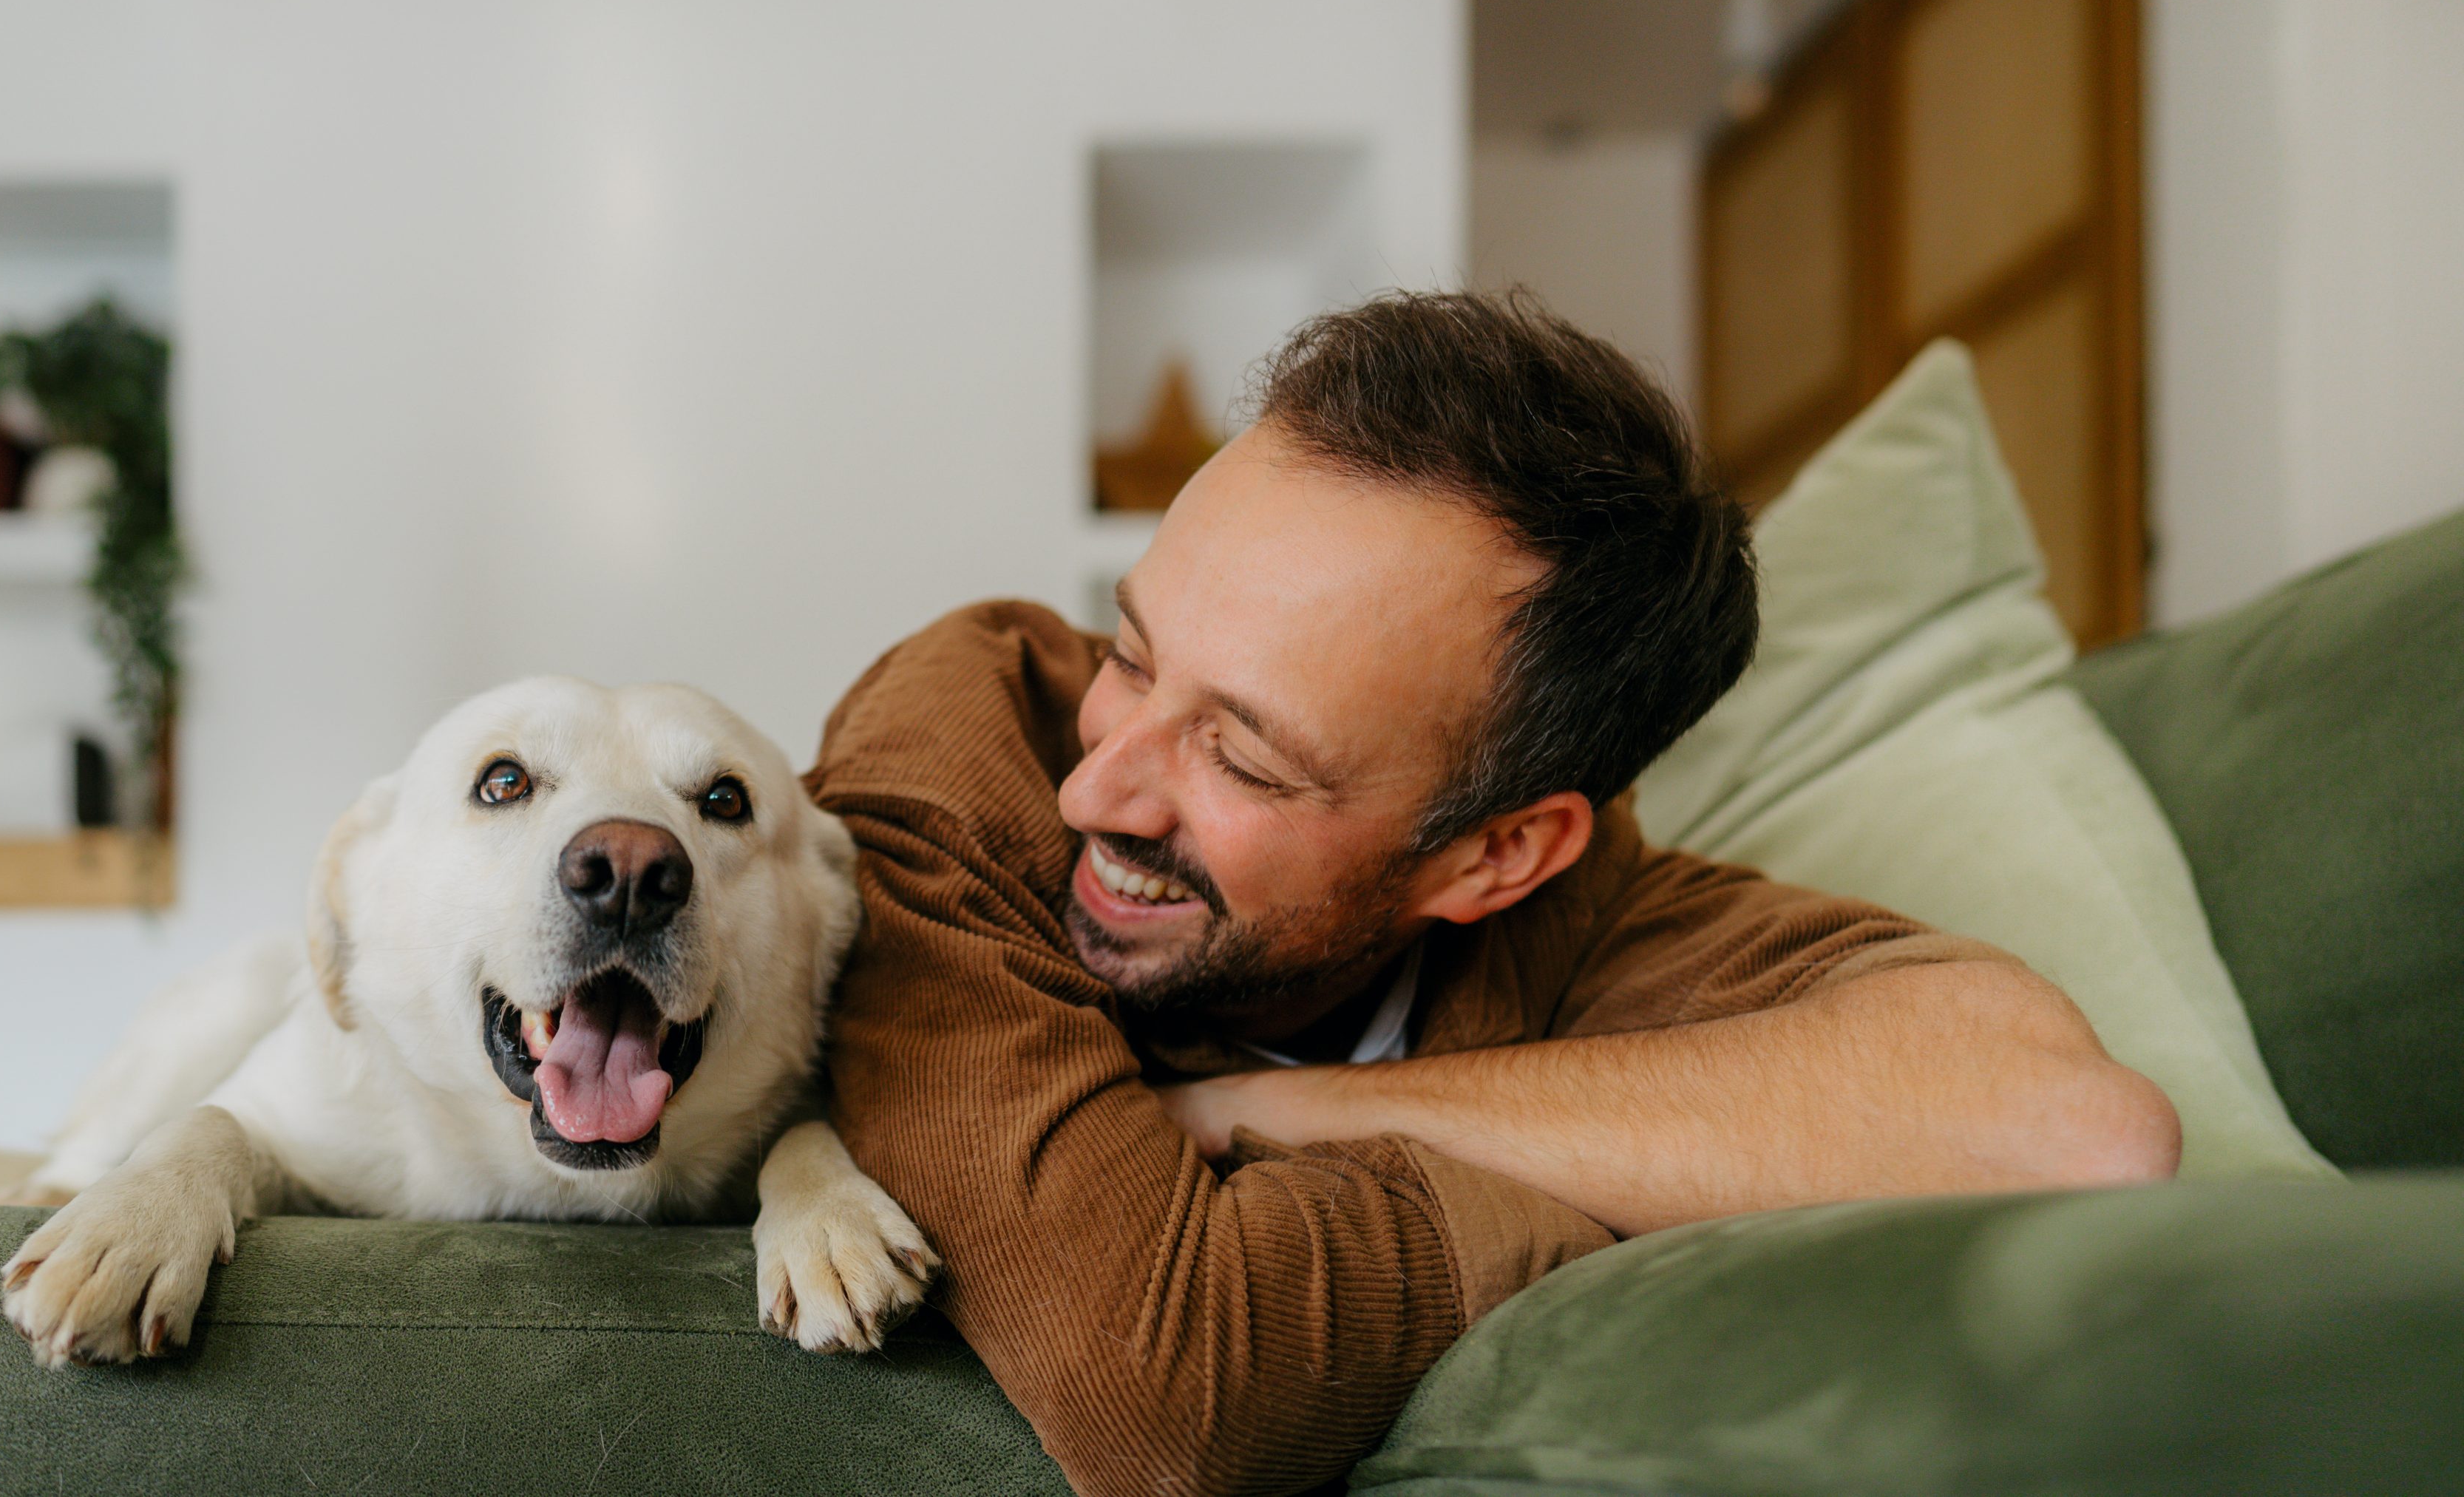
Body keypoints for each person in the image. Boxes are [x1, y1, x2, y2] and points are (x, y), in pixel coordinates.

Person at [810, 291, 2178, 1497]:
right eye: (1132, 650)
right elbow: (1169, 1388)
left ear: (1498, 857)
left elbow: (2074, 1131)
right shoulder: (961, 742)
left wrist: (1273, 1110)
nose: (1100, 788)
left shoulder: (1590, 917)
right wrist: (1573, 1200)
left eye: (1243, 753)